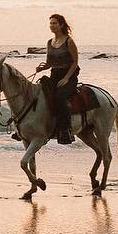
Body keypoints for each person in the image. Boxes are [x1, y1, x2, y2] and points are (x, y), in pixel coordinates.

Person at [33, 13, 79, 144]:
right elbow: (50, 63)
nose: (52, 26)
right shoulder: (50, 42)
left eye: (54, 23)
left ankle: (65, 130)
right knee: (39, 93)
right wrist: (42, 68)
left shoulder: (69, 41)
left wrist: (66, 79)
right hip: (54, 75)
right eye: (51, 23)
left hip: (69, 75)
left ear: (61, 25)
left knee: (60, 98)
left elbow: (75, 62)